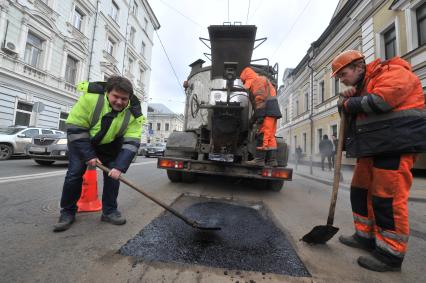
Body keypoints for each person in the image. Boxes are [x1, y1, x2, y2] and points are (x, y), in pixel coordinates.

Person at [332, 50, 426, 272]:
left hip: (394, 145)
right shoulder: (362, 86)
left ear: (359, 66)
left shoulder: (393, 72)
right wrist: (343, 101)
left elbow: (381, 101)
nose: (341, 80)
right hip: (372, 147)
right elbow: (350, 115)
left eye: (343, 74)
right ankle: (364, 236)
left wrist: (349, 103)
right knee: (360, 191)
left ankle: (390, 254)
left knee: (387, 199)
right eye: (339, 78)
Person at [53, 76, 144, 232]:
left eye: (124, 99)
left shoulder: (134, 113)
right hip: (82, 140)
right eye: (116, 96)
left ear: (129, 98)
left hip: (109, 144)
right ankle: (67, 213)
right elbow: (75, 127)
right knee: (74, 174)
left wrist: (120, 167)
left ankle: (109, 212)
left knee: (114, 176)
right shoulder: (91, 99)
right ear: (107, 92)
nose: (119, 102)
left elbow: (131, 143)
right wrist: (88, 155)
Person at [240, 66, 282, 166]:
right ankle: (272, 160)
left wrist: (259, 117)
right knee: (270, 136)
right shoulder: (262, 79)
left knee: (263, 134)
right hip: (272, 111)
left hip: (267, 111)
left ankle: (259, 160)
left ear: (249, 78)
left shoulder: (257, 81)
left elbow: (260, 100)